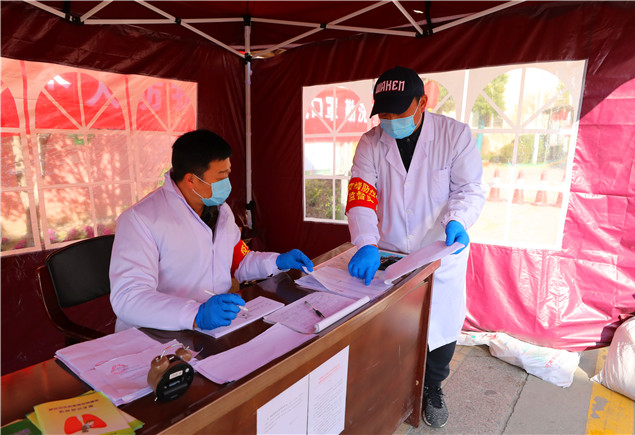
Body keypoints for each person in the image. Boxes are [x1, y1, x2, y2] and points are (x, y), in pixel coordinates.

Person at [345, 66, 485, 428]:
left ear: (422, 102)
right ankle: (392, 385)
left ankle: (433, 386)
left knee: (440, 323)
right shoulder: (370, 143)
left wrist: (458, 219)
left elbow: (469, 188)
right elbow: (361, 194)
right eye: (384, 114)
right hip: (391, 249)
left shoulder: (454, 135)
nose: (390, 122)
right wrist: (366, 242)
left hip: (439, 247)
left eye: (399, 113)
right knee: (393, 325)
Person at [110, 129, 313, 332]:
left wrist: (277, 262)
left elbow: (238, 261)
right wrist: (195, 315)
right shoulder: (141, 220)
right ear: (191, 180)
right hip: (156, 334)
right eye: (221, 177)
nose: (227, 184)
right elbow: (128, 298)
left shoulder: (220, 211)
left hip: (214, 328)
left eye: (228, 173)